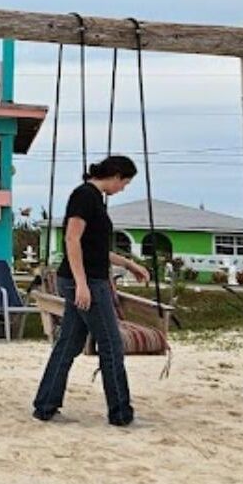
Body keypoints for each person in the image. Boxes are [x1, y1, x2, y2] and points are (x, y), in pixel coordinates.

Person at [32, 156, 150, 426]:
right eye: (125, 183)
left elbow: (94, 248)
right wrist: (82, 284)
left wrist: (130, 264)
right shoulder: (84, 195)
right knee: (111, 345)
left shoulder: (94, 198)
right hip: (86, 283)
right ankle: (121, 414)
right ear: (116, 175)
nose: (124, 189)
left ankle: (45, 406)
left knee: (69, 343)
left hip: (86, 279)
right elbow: (72, 239)